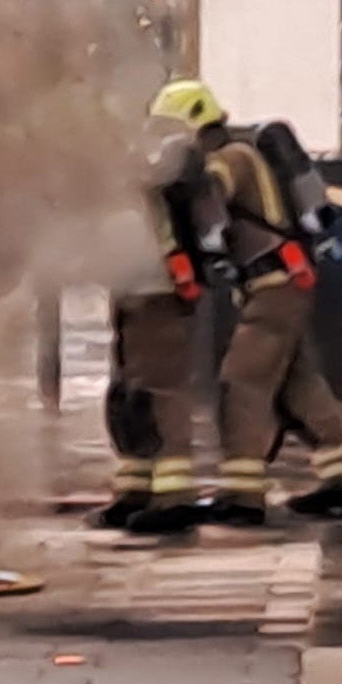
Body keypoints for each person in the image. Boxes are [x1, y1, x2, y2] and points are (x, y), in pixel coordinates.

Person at [129, 79, 342, 532]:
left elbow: (208, 205)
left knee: (242, 382)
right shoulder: (240, 154)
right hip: (279, 284)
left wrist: (158, 182)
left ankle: (243, 495)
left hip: (275, 287)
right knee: (299, 385)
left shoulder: (230, 161)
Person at [93, 117, 234, 534]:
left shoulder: (150, 191)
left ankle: (175, 496)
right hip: (134, 299)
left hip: (157, 299)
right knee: (133, 396)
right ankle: (135, 490)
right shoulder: (131, 191)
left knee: (162, 394)